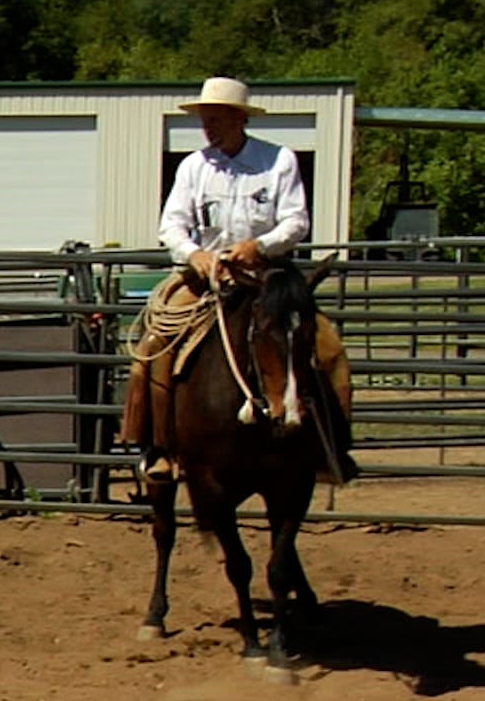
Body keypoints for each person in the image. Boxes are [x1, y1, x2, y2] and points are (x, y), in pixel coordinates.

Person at [123, 75, 355, 483]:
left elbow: (296, 222)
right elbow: (172, 226)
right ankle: (158, 447)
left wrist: (259, 246)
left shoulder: (278, 161)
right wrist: (195, 255)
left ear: (238, 119)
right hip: (206, 278)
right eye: (204, 118)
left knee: (328, 346)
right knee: (153, 346)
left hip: (268, 276)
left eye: (215, 118)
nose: (207, 126)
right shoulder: (194, 167)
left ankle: (332, 448)